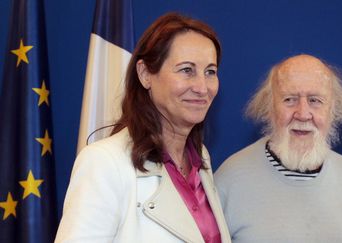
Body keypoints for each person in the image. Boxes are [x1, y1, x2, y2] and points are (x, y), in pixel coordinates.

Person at [56, 13, 230, 243]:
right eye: (187, 70)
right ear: (145, 74)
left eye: (210, 72)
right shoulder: (104, 162)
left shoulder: (200, 158)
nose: (201, 87)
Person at [215, 54, 342, 243]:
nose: (303, 114)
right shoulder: (230, 179)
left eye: (315, 100)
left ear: (332, 109)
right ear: (269, 107)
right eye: (289, 99)